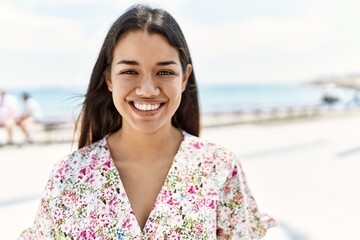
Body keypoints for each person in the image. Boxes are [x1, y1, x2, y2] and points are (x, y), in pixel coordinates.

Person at [19, 4, 275, 239]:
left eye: (165, 72)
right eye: (130, 72)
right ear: (109, 79)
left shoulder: (218, 167)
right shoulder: (69, 175)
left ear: (184, 78)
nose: (148, 89)